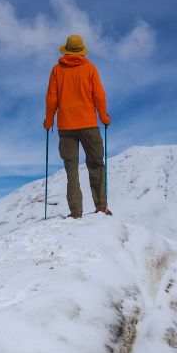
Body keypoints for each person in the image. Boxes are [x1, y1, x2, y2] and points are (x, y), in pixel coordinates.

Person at [44, 34, 111, 218]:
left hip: (66, 127)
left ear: (66, 49)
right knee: (96, 164)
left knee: (71, 170)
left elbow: (51, 99)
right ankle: (101, 207)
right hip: (89, 124)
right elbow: (99, 95)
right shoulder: (90, 69)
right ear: (82, 51)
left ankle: (75, 212)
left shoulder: (57, 70)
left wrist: (49, 120)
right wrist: (104, 117)